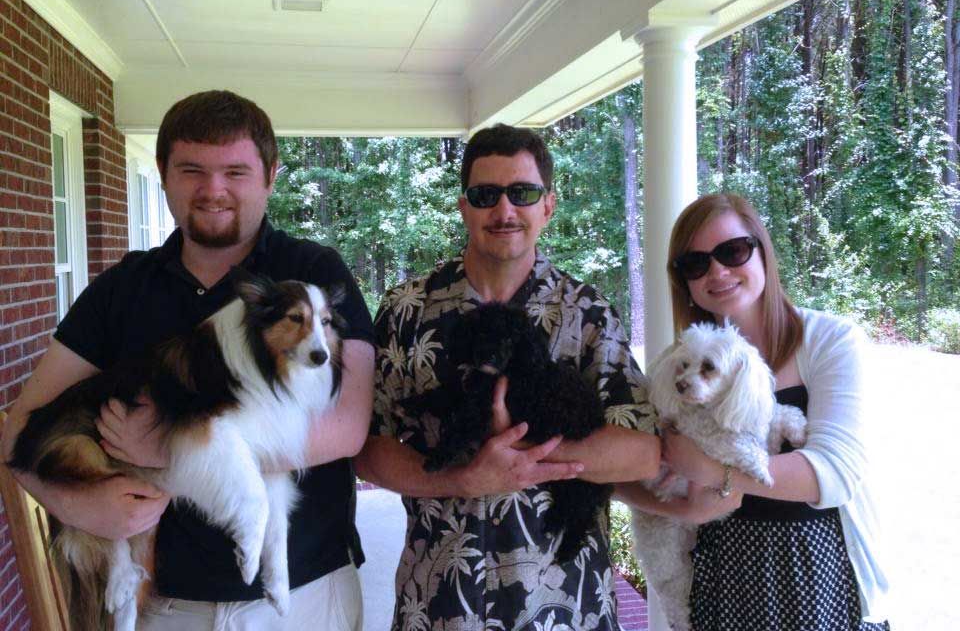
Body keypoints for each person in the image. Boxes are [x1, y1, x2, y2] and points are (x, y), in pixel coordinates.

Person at [1, 90, 375, 630]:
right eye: (192, 169)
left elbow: (346, 427)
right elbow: (17, 429)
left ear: (270, 175)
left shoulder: (311, 269)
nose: (213, 190)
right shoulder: (122, 288)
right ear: (163, 173)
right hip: (165, 603)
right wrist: (76, 505)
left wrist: (173, 446)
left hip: (305, 595)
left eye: (236, 172)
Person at [355, 123, 661, 631]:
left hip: (567, 600)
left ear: (549, 205)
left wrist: (525, 454)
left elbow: (643, 452)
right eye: (485, 194)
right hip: (442, 601)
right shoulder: (407, 309)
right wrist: (465, 475)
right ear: (463, 206)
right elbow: (368, 450)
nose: (504, 210)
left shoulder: (587, 313)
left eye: (522, 193)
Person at [648, 192, 890, 630]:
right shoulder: (681, 366)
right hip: (722, 567)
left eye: (732, 251)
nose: (717, 271)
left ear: (762, 250)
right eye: (695, 263)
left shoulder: (830, 341)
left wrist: (709, 470)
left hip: (815, 567)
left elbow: (835, 472)